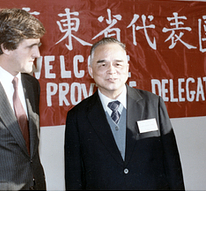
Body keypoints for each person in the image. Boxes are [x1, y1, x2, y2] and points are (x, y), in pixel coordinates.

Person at [65, 37, 185, 190]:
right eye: (102, 64)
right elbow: (73, 175)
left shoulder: (153, 104)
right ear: (90, 70)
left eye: (118, 64)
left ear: (127, 67)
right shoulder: (78, 116)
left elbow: (172, 164)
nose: (111, 70)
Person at [0, 8, 46, 190]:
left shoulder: (32, 85)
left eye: (38, 46)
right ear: (6, 47)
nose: (37, 54)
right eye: (30, 46)